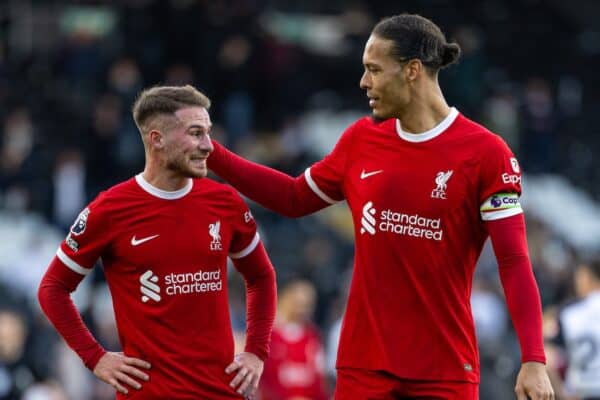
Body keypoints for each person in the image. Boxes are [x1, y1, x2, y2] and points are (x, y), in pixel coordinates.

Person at [207, 13, 554, 400]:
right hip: (363, 367)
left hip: (444, 369)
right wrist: (215, 156)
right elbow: (292, 197)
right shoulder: (361, 140)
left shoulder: (486, 154)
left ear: (412, 71)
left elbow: (514, 262)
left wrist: (533, 359)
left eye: (374, 69)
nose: (363, 82)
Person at [37, 85, 277, 399]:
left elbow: (261, 275)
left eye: (208, 132)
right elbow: (52, 287)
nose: (209, 146)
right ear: (157, 139)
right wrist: (95, 357)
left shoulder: (225, 202)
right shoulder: (110, 210)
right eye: (195, 133)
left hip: (221, 392)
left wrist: (256, 350)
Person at [260, 280, 329, 400]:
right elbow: (263, 380)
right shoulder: (268, 336)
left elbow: (319, 378)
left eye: (308, 304)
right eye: (298, 303)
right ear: (286, 299)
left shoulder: (312, 337)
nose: (303, 309)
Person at [556, 259, 600, 399]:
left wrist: (562, 392)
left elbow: (548, 356)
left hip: (580, 391)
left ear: (587, 278)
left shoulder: (568, 312)